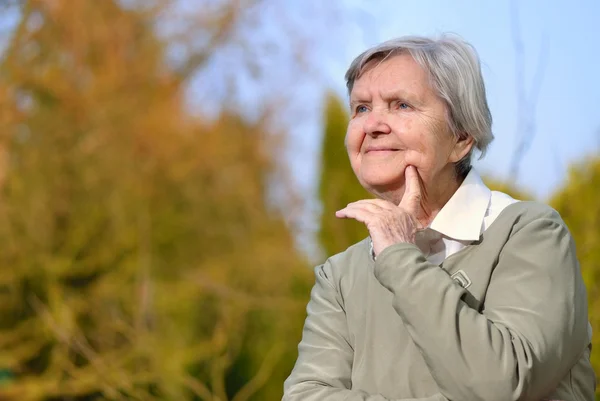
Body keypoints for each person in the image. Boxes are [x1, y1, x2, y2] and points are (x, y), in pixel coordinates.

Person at [283, 35, 595, 401]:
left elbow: (501, 384)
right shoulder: (339, 275)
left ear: (462, 137)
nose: (373, 125)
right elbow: (306, 395)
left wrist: (400, 258)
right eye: (361, 108)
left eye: (401, 105)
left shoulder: (530, 233)